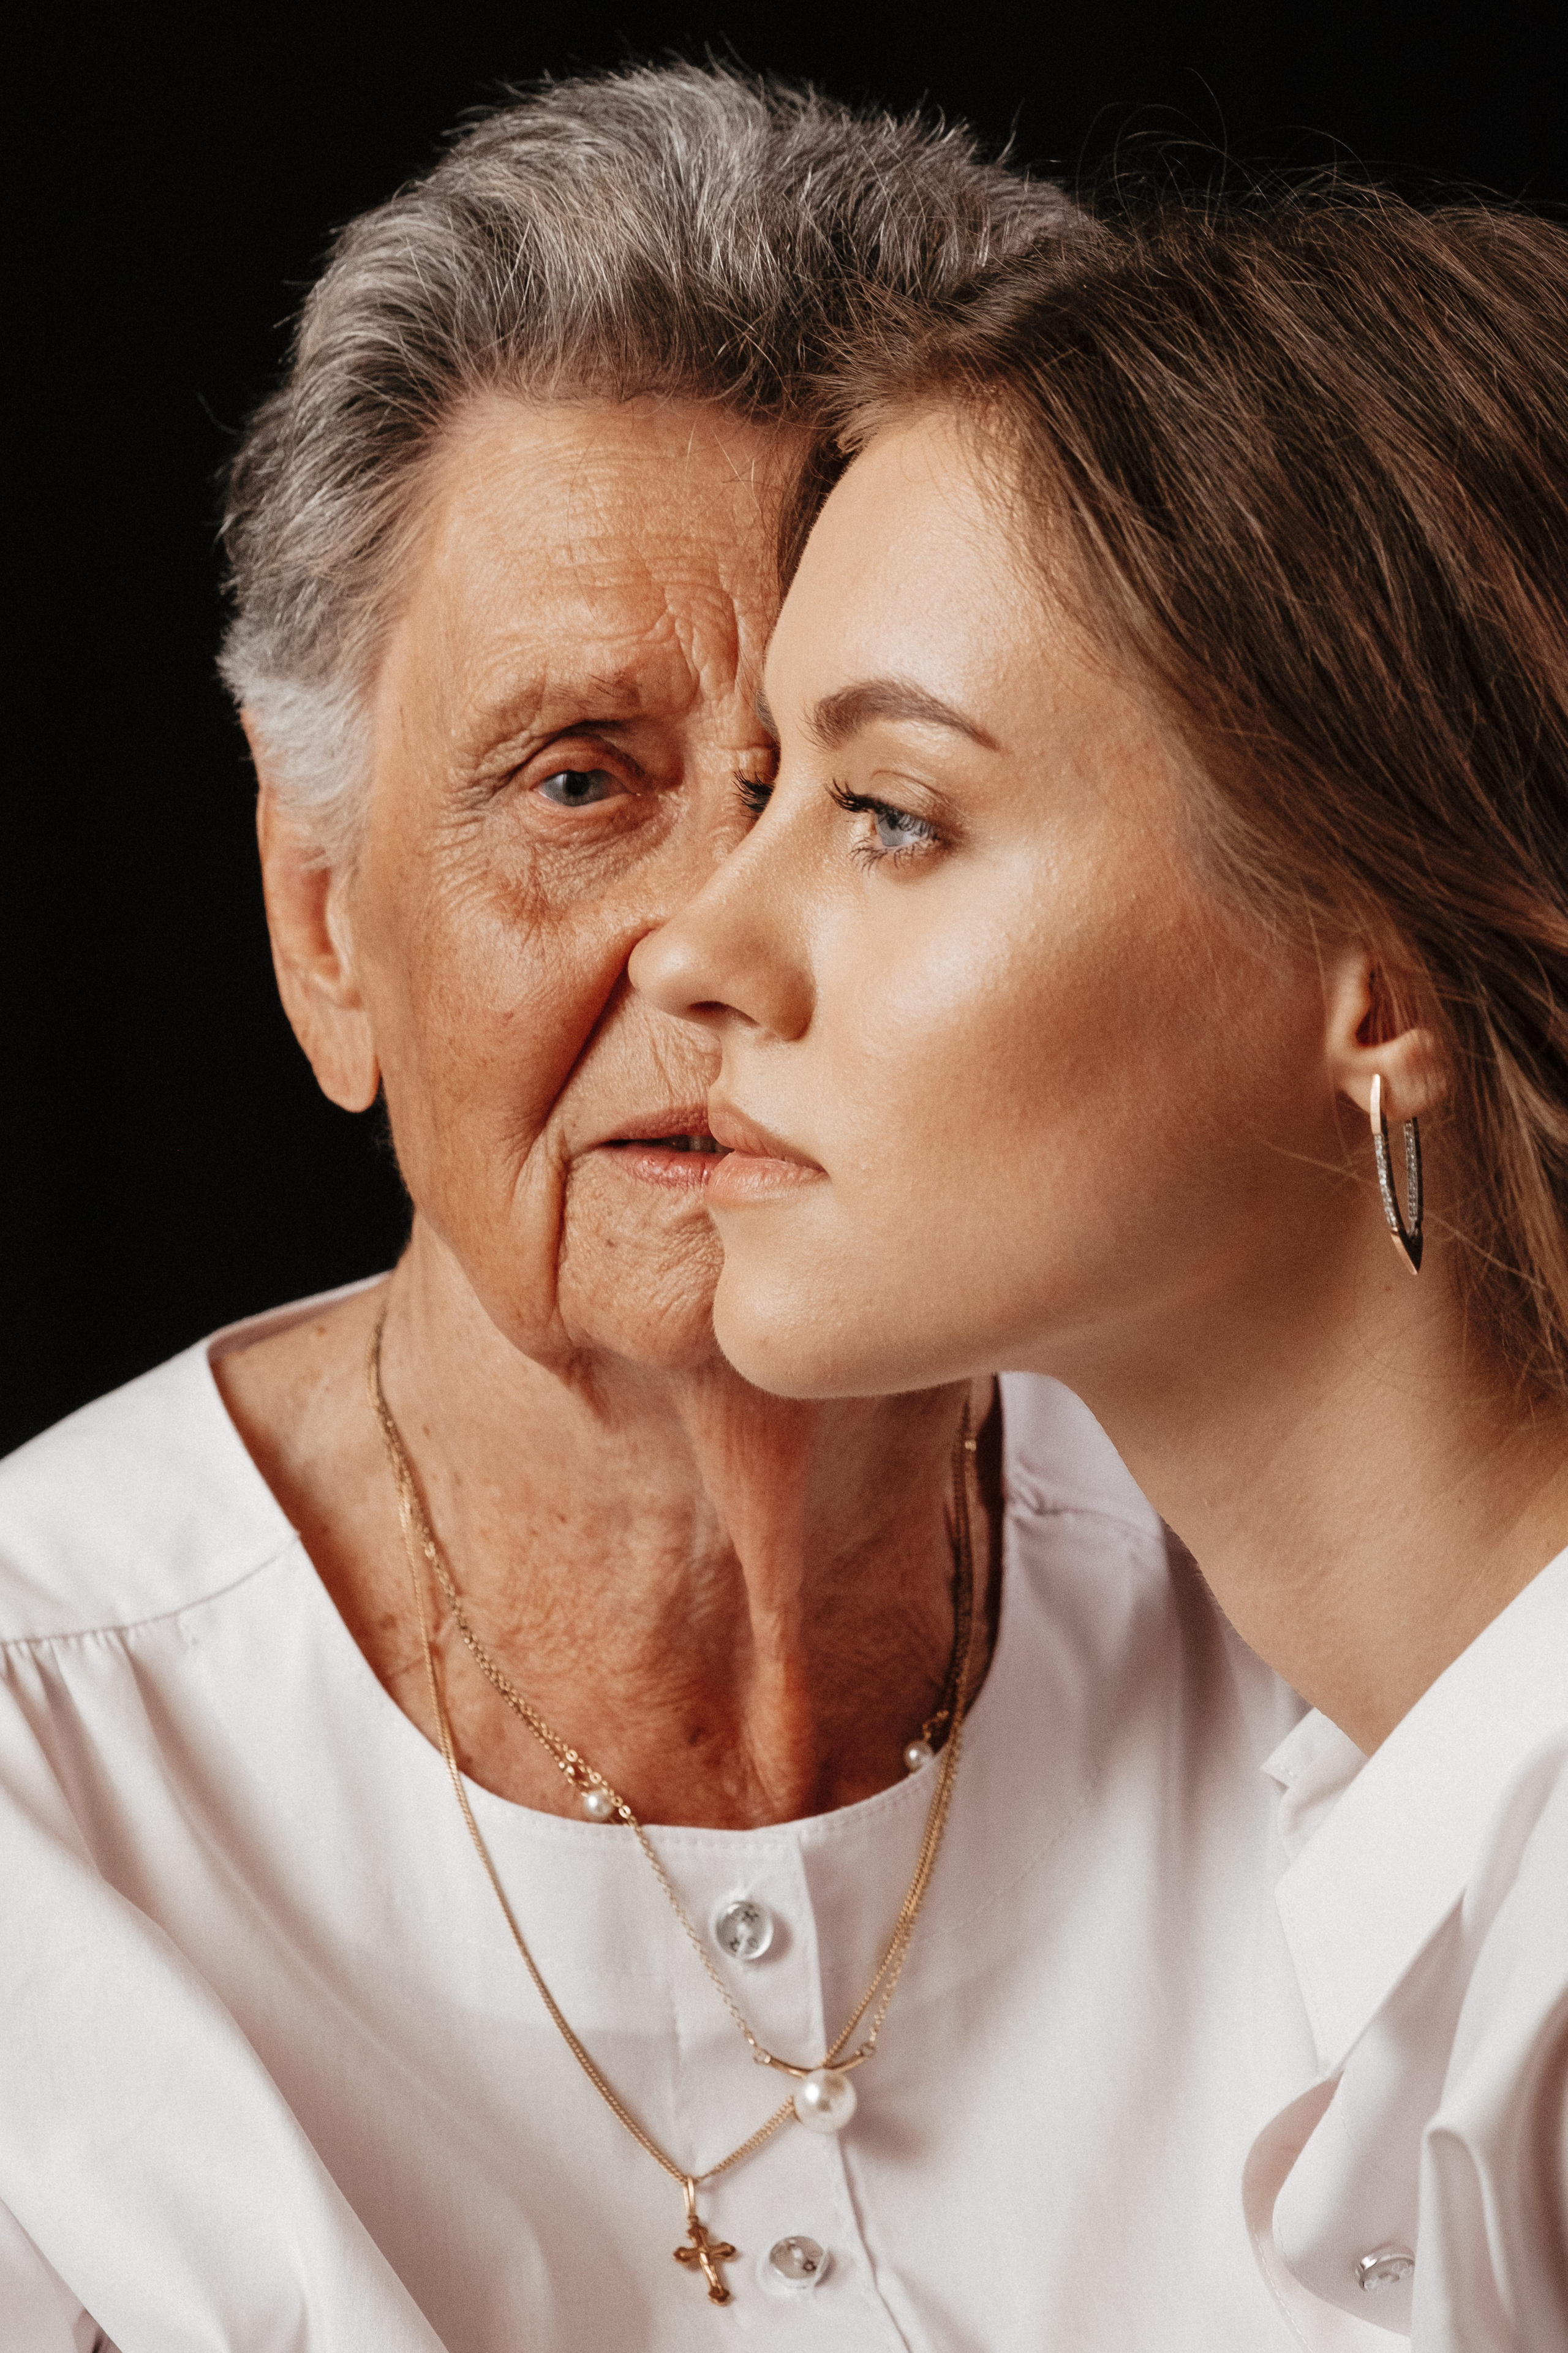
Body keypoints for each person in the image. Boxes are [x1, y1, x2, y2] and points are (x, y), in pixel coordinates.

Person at [0, 70, 1319, 2353]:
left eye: (882, 799)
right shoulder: (50, 1795)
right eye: (578, 780)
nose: (720, 938)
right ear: (324, 927)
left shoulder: (1340, 1607)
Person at [635, 182, 1568, 2349]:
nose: (697, 948)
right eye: (776, 788)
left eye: (892, 813)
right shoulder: (1414, 1811)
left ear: (1380, 978)